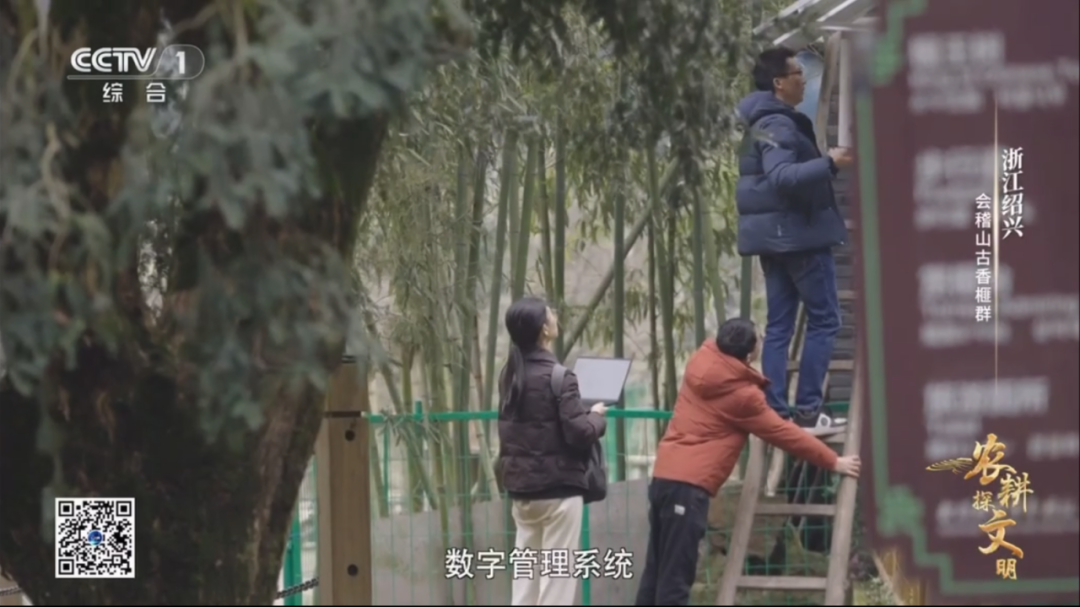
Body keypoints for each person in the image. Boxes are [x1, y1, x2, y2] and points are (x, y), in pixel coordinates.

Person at [634, 318, 861, 606]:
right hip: (689, 488)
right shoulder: (743, 397)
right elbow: (785, 433)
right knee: (675, 581)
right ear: (751, 352)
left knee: (655, 571)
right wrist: (833, 461)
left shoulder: (700, 361)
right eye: (760, 338)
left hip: (664, 478)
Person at [735, 46, 854, 434]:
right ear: (779, 82)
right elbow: (782, 176)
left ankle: (775, 411)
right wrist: (831, 162)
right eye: (797, 73)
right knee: (825, 319)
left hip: (774, 240)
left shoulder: (759, 122)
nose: (803, 79)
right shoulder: (779, 124)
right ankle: (808, 411)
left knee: (780, 326)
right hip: (798, 238)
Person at [496, 296, 608, 606]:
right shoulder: (560, 376)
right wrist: (596, 416)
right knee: (556, 583)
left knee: (526, 581)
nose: (555, 316)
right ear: (544, 329)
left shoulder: (509, 375)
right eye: (551, 314)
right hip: (558, 493)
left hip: (522, 492)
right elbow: (579, 433)